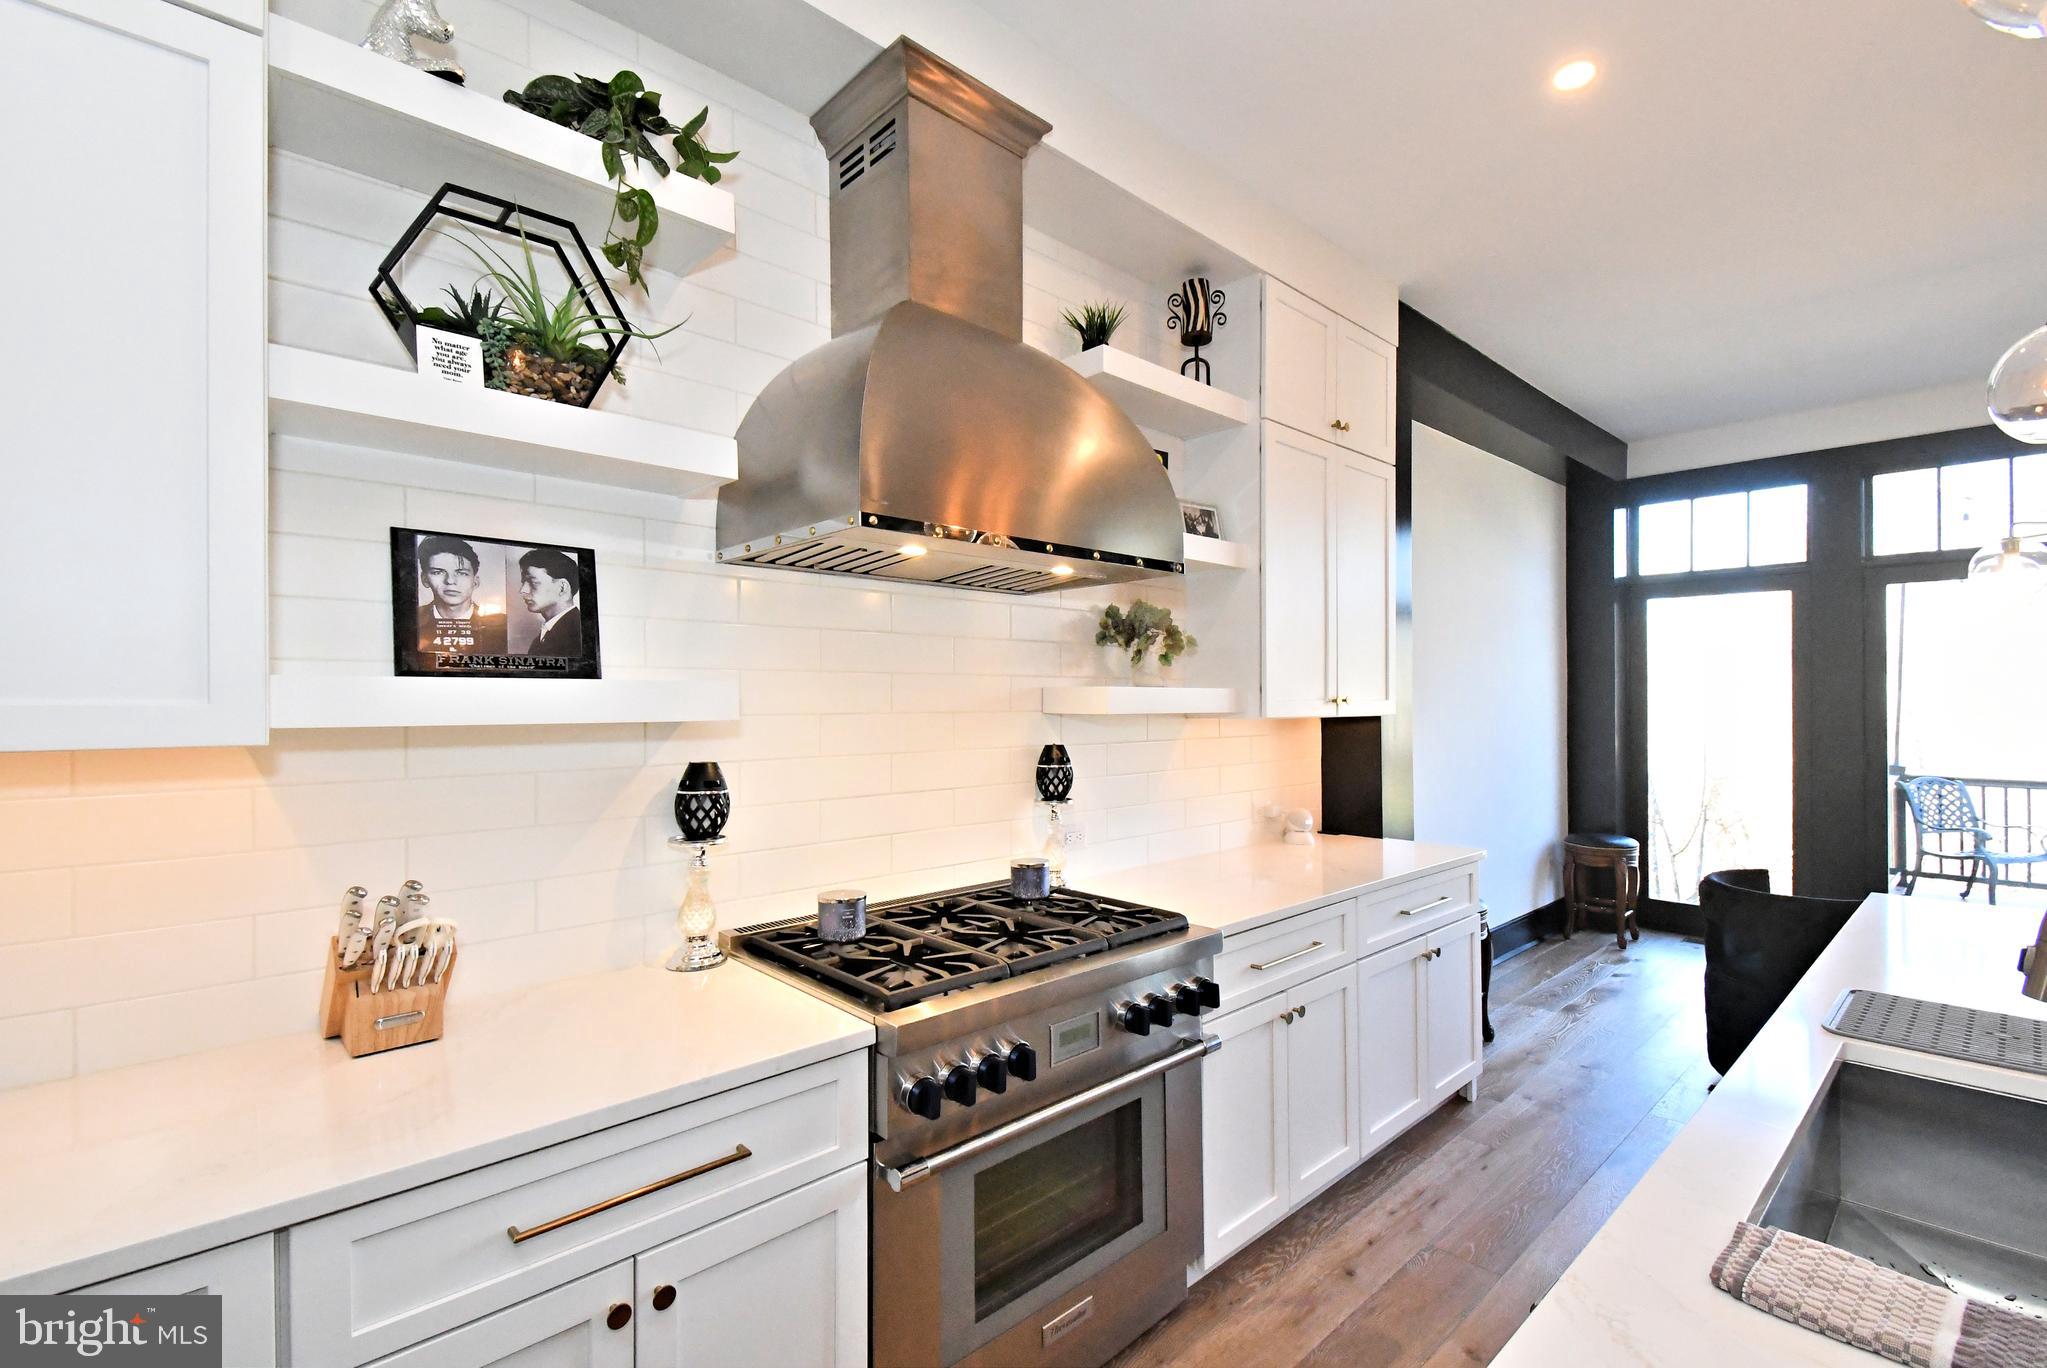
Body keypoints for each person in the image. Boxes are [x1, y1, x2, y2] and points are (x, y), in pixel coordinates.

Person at [416, 535, 507, 655]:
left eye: (461, 573)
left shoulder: (503, 625)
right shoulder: (411, 620)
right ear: (424, 579)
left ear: (475, 581)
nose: (450, 581)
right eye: (438, 572)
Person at [518, 547, 583, 656]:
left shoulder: (576, 636)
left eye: (533, 582)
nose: (522, 590)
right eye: (523, 582)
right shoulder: (542, 638)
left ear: (562, 588)